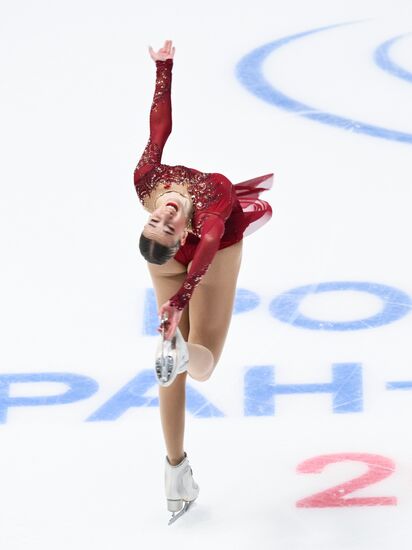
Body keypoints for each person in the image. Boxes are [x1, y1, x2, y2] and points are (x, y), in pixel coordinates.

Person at [133, 40, 273, 523]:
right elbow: (207, 245)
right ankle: (181, 352)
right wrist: (181, 299)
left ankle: (176, 475)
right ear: (172, 239)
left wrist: (163, 68)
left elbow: (159, 129)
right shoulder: (209, 199)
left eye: (157, 221)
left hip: (189, 262)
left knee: (174, 360)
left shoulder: (151, 183)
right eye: (165, 225)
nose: (164, 215)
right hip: (193, 260)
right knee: (201, 363)